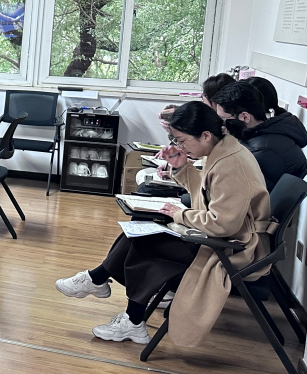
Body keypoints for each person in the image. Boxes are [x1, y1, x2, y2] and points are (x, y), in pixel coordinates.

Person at [55, 102, 273, 348]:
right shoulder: (222, 151)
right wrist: (182, 168)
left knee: (145, 244)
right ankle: (107, 291)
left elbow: (222, 225)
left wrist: (181, 215)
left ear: (205, 135)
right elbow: (207, 200)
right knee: (141, 231)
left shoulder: (230, 164)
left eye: (182, 140)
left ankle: (113, 297)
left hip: (235, 247)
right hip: (226, 236)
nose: (180, 146)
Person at [213, 81, 307, 191]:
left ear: (245, 117)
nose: (222, 126)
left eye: (224, 120)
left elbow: (239, 194)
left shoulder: (259, 152)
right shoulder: (274, 130)